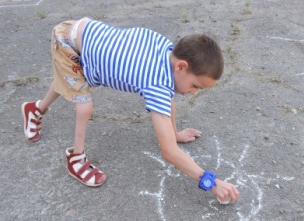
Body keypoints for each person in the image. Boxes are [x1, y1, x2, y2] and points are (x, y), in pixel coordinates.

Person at [22, 17, 239, 203]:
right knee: (84, 105)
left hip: (81, 31)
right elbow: (169, 152)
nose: (193, 93)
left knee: (68, 81)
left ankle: (35, 109)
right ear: (181, 66)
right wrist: (210, 182)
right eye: (195, 86)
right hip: (69, 44)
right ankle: (76, 159)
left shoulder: (165, 50)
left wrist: (174, 134)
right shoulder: (156, 83)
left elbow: (167, 100)